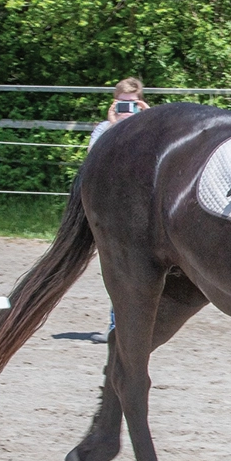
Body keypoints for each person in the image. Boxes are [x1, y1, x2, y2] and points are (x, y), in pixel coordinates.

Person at [88, 77, 150, 343]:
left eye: (132, 104)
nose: (127, 110)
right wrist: (113, 127)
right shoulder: (104, 129)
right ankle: (117, 327)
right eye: (123, 104)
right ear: (114, 103)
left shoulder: (149, 129)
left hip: (140, 207)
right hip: (114, 207)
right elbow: (93, 160)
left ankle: (128, 329)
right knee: (120, 270)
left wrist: (148, 120)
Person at [88, 77, 150, 152]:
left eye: (131, 102)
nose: (127, 107)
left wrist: (150, 116)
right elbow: (92, 152)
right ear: (115, 103)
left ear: (140, 104)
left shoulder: (146, 126)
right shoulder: (104, 127)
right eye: (123, 102)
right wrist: (113, 125)